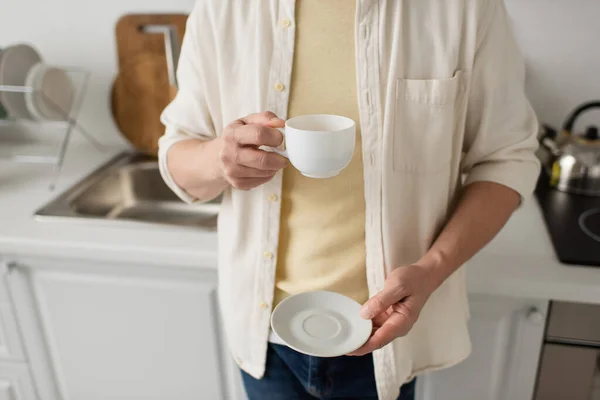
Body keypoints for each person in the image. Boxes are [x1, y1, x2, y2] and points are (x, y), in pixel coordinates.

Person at [158, 1, 540, 399]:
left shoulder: (465, 9)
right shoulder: (224, 9)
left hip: (389, 333)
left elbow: (506, 159)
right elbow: (177, 156)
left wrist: (431, 271)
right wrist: (220, 159)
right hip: (265, 337)